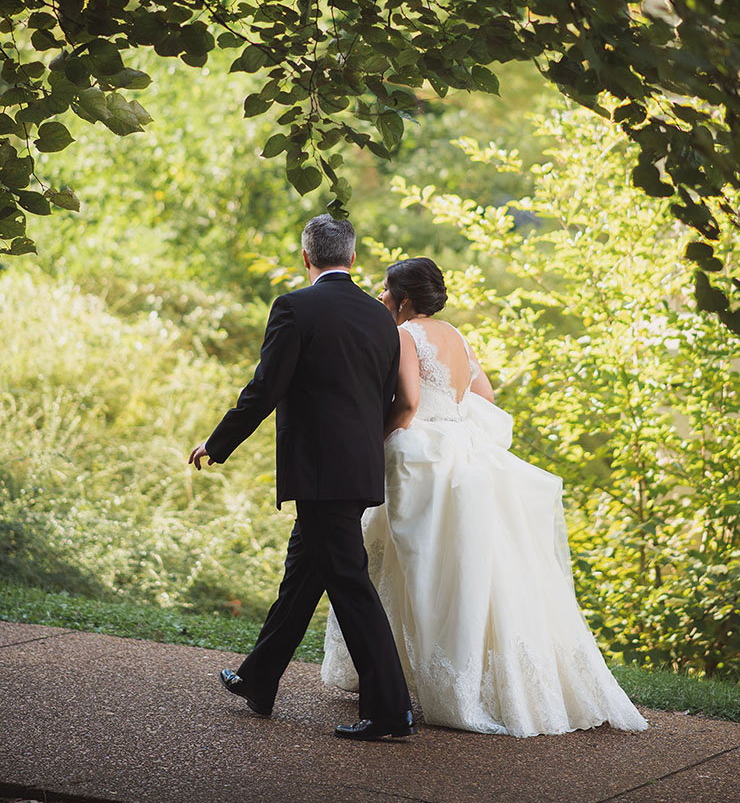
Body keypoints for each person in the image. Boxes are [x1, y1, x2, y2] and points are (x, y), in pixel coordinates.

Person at [321, 256, 648, 738]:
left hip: (421, 454)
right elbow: (485, 397)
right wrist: (450, 418)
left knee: (415, 565)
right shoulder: (455, 334)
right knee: (467, 570)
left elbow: (408, 405)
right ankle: (428, 674)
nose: (381, 298)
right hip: (464, 453)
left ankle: (405, 677)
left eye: (386, 292)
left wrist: (376, 435)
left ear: (405, 300)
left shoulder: (405, 334)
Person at [188, 215, 414, 741]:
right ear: (353, 259)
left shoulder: (294, 306)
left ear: (305, 257)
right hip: (358, 469)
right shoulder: (382, 319)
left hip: (319, 472)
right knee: (302, 576)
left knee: (350, 586)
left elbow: (265, 387)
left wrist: (216, 444)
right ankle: (257, 680)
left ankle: (390, 711)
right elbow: (383, 396)